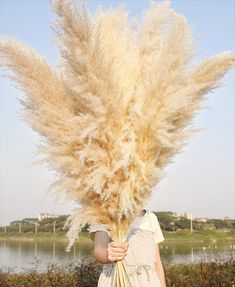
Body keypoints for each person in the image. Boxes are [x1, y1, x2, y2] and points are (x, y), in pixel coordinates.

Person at [88, 209, 167, 287]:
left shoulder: (151, 218)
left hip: (148, 281)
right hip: (116, 280)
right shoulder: (104, 215)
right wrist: (108, 255)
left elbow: (156, 261)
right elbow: (99, 248)